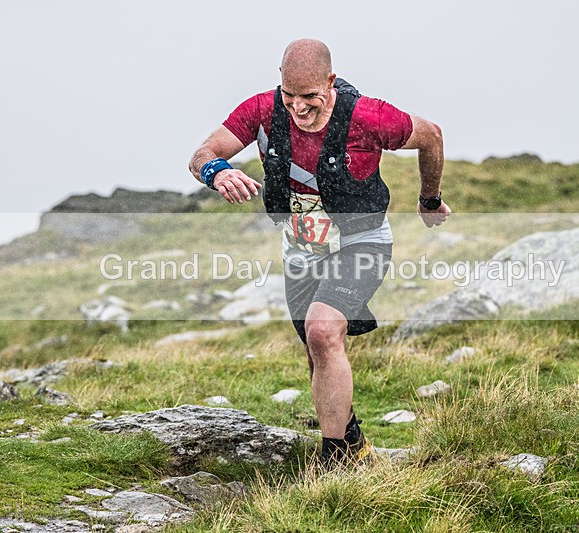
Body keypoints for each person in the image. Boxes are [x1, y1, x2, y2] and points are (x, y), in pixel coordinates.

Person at [189, 39, 450, 466]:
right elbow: (202, 154)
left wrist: (429, 199)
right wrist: (217, 171)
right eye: (290, 97)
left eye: (310, 98)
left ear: (331, 81)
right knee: (317, 351)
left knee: (323, 330)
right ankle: (353, 447)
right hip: (301, 250)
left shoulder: (368, 117)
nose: (299, 109)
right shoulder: (261, 111)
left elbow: (431, 135)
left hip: (360, 242)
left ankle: (335, 465)